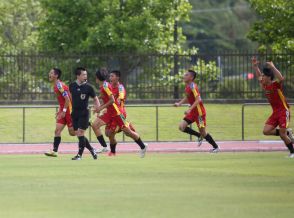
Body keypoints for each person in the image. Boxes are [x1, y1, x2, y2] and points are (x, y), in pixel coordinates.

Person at [92, 69, 147, 158]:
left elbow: (115, 100)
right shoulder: (105, 86)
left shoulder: (115, 87)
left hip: (117, 113)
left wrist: (101, 107)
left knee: (128, 132)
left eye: (112, 76)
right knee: (97, 127)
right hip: (109, 113)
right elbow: (106, 98)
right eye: (110, 76)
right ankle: (105, 147)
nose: (110, 78)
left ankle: (143, 146)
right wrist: (99, 107)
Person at [252, 57, 294, 158]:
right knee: (266, 131)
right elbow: (258, 76)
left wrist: (273, 67)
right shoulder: (265, 85)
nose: (262, 77)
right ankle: (288, 132)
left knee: (282, 135)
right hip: (275, 112)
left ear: (269, 77)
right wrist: (255, 67)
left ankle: (292, 152)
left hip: (283, 111)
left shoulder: (276, 85)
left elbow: (281, 78)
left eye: (264, 76)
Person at [174, 69, 219, 153]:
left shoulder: (193, 87)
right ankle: (199, 136)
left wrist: (189, 109)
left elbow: (198, 99)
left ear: (191, 77)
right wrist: (179, 103)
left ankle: (216, 147)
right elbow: (188, 97)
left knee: (203, 132)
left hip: (199, 114)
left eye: (186, 75)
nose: (184, 76)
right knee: (181, 127)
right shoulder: (188, 86)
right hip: (192, 113)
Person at [69, 67, 99, 160]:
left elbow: (95, 99)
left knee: (81, 133)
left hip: (84, 113)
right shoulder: (72, 85)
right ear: (78, 76)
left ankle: (79, 155)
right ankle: (92, 149)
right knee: (77, 133)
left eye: (86, 74)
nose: (85, 76)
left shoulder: (89, 87)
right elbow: (69, 98)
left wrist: (98, 109)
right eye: (83, 74)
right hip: (74, 113)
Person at [45, 68, 75, 157]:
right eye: (49, 72)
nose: (49, 74)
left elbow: (68, 99)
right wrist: (60, 111)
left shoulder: (60, 86)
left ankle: (85, 123)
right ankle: (55, 151)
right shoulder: (56, 86)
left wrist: (64, 111)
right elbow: (63, 101)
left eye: (51, 73)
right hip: (63, 111)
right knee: (57, 130)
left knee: (72, 133)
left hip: (69, 111)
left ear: (56, 75)